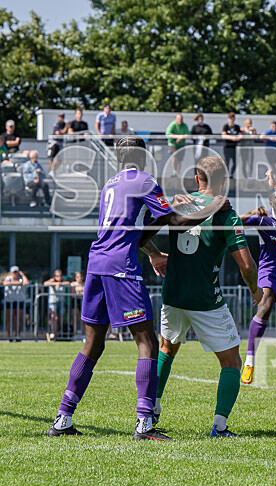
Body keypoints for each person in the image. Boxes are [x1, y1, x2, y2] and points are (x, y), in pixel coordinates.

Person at [48, 135, 229, 440]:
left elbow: (135, 228)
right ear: (143, 157)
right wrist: (213, 206)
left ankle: (62, 418)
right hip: (121, 269)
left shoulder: (111, 184)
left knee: (92, 345)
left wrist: (154, 252)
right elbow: (174, 221)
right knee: (146, 341)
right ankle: (144, 424)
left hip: (97, 265)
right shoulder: (145, 181)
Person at [155, 155, 262, 438]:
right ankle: (219, 426)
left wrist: (154, 255)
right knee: (231, 362)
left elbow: (143, 229)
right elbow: (247, 265)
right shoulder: (226, 213)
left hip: (172, 296)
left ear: (196, 179)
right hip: (206, 301)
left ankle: (149, 411)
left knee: (166, 349)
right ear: (224, 181)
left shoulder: (178, 203)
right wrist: (255, 290)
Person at [239, 190, 276, 384]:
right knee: (266, 305)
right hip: (270, 269)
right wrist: (253, 211)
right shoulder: (263, 219)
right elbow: (235, 221)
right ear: (270, 202)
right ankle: (250, 362)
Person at [3, 266, 29, 342]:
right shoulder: (8, 278)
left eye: (16, 272)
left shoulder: (21, 278)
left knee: (19, 319)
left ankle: (18, 335)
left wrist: (23, 275)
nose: (15, 274)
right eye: (14, 272)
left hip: (19, 300)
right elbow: (5, 283)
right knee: (10, 319)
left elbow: (26, 282)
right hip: (10, 301)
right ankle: (10, 336)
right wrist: (18, 283)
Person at [44, 269, 71, 341]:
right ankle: (53, 332)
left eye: (60, 276)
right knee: (53, 317)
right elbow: (45, 283)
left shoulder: (63, 282)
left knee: (59, 319)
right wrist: (54, 283)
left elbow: (68, 283)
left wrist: (60, 283)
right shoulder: (51, 281)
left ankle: (57, 332)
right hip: (53, 301)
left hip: (61, 302)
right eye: (57, 276)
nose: (59, 277)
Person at [221, 113, 242, 177]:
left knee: (235, 162)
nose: (232, 120)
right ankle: (225, 174)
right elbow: (223, 135)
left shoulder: (237, 127)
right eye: (230, 119)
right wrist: (233, 138)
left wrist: (238, 138)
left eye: (233, 119)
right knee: (227, 161)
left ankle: (231, 174)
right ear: (228, 119)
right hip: (227, 146)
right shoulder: (226, 126)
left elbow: (240, 135)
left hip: (234, 147)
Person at [71, 271, 85, 338]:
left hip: (82, 301)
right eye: (77, 277)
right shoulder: (73, 284)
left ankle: (83, 333)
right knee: (75, 317)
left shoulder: (84, 284)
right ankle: (75, 332)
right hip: (75, 302)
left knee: (83, 318)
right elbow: (73, 294)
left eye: (80, 277)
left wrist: (80, 293)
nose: (79, 278)